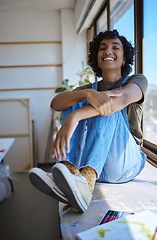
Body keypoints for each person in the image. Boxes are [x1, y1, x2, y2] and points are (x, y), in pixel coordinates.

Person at [29, 30, 148, 213]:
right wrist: (86, 93)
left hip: (125, 164)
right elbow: (56, 103)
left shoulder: (136, 80)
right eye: (103, 48)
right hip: (96, 163)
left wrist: (74, 117)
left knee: (109, 105)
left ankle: (84, 186)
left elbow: (121, 100)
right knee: (73, 99)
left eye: (115, 47)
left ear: (124, 59)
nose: (108, 51)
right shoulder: (89, 88)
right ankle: (70, 172)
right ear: (97, 58)